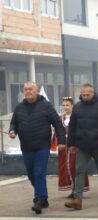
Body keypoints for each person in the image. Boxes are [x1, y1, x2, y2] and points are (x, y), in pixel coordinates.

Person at [9, 82, 66, 214]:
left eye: (30, 89)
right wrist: (12, 131)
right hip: (26, 146)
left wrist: (61, 141)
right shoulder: (19, 107)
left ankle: (38, 200)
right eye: (25, 89)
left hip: (42, 145)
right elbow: (14, 123)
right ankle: (44, 197)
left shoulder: (45, 105)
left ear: (36, 91)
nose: (28, 91)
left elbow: (57, 123)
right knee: (31, 175)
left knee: (39, 172)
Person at [65, 84, 98, 210]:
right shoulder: (77, 107)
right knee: (79, 170)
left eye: (88, 95)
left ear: (93, 93)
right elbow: (72, 126)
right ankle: (77, 199)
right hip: (82, 145)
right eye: (83, 95)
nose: (85, 97)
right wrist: (71, 144)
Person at [58, 97, 89, 197]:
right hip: (64, 146)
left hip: (75, 145)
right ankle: (73, 188)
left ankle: (77, 189)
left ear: (72, 106)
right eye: (63, 105)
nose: (65, 107)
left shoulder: (76, 117)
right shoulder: (61, 118)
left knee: (75, 166)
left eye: (67, 105)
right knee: (66, 168)